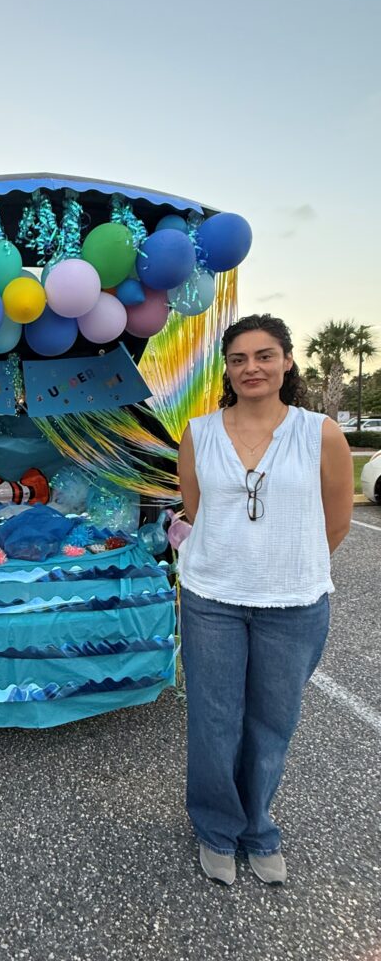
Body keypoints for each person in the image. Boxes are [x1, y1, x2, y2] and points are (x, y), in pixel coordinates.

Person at [176, 314, 353, 886]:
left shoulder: (319, 431)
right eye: (238, 359)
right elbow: (200, 513)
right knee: (214, 721)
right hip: (213, 598)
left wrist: (286, 563)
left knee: (273, 724)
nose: (251, 367)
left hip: (295, 603)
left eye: (264, 355)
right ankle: (216, 829)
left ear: (286, 362)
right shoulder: (199, 434)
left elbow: (338, 518)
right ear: (227, 369)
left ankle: (257, 826)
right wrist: (239, 557)